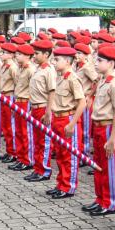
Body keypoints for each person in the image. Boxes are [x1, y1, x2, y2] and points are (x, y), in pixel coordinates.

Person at [83, 44, 115, 216]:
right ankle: (100, 199)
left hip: (109, 128)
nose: (96, 63)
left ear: (111, 63)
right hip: (99, 127)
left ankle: (110, 202)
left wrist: (113, 138)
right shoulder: (102, 80)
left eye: (100, 61)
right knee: (99, 166)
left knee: (109, 168)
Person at [45, 46, 85, 199]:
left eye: (57, 59)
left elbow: (82, 103)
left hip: (68, 119)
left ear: (67, 61)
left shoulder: (73, 79)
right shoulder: (60, 77)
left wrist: (72, 123)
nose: (53, 62)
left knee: (69, 155)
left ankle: (68, 186)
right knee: (61, 155)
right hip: (57, 118)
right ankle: (61, 183)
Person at [25, 40, 56, 183]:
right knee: (37, 141)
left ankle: (44, 170)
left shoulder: (49, 70)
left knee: (44, 141)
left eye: (37, 53)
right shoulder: (38, 69)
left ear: (46, 54)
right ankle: (37, 168)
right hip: (36, 108)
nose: (34, 56)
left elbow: (52, 92)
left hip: (43, 108)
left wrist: (48, 112)